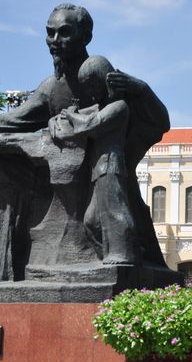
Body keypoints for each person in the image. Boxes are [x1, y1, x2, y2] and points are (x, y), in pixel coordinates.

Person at [0, 4, 170, 283]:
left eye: (65, 33)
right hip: (56, 180)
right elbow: (10, 121)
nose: (55, 42)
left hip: (100, 179)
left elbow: (158, 122)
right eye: (50, 34)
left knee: (98, 218)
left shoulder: (104, 77)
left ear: (86, 36)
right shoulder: (51, 87)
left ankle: (106, 256)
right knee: (5, 166)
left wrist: (138, 89)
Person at [51, 55, 135, 265]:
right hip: (99, 167)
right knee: (91, 221)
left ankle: (123, 254)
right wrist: (58, 117)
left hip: (111, 165)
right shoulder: (101, 106)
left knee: (115, 211)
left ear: (103, 81)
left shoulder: (119, 106)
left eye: (92, 85)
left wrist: (70, 116)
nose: (89, 92)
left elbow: (90, 123)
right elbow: (79, 115)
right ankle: (108, 253)